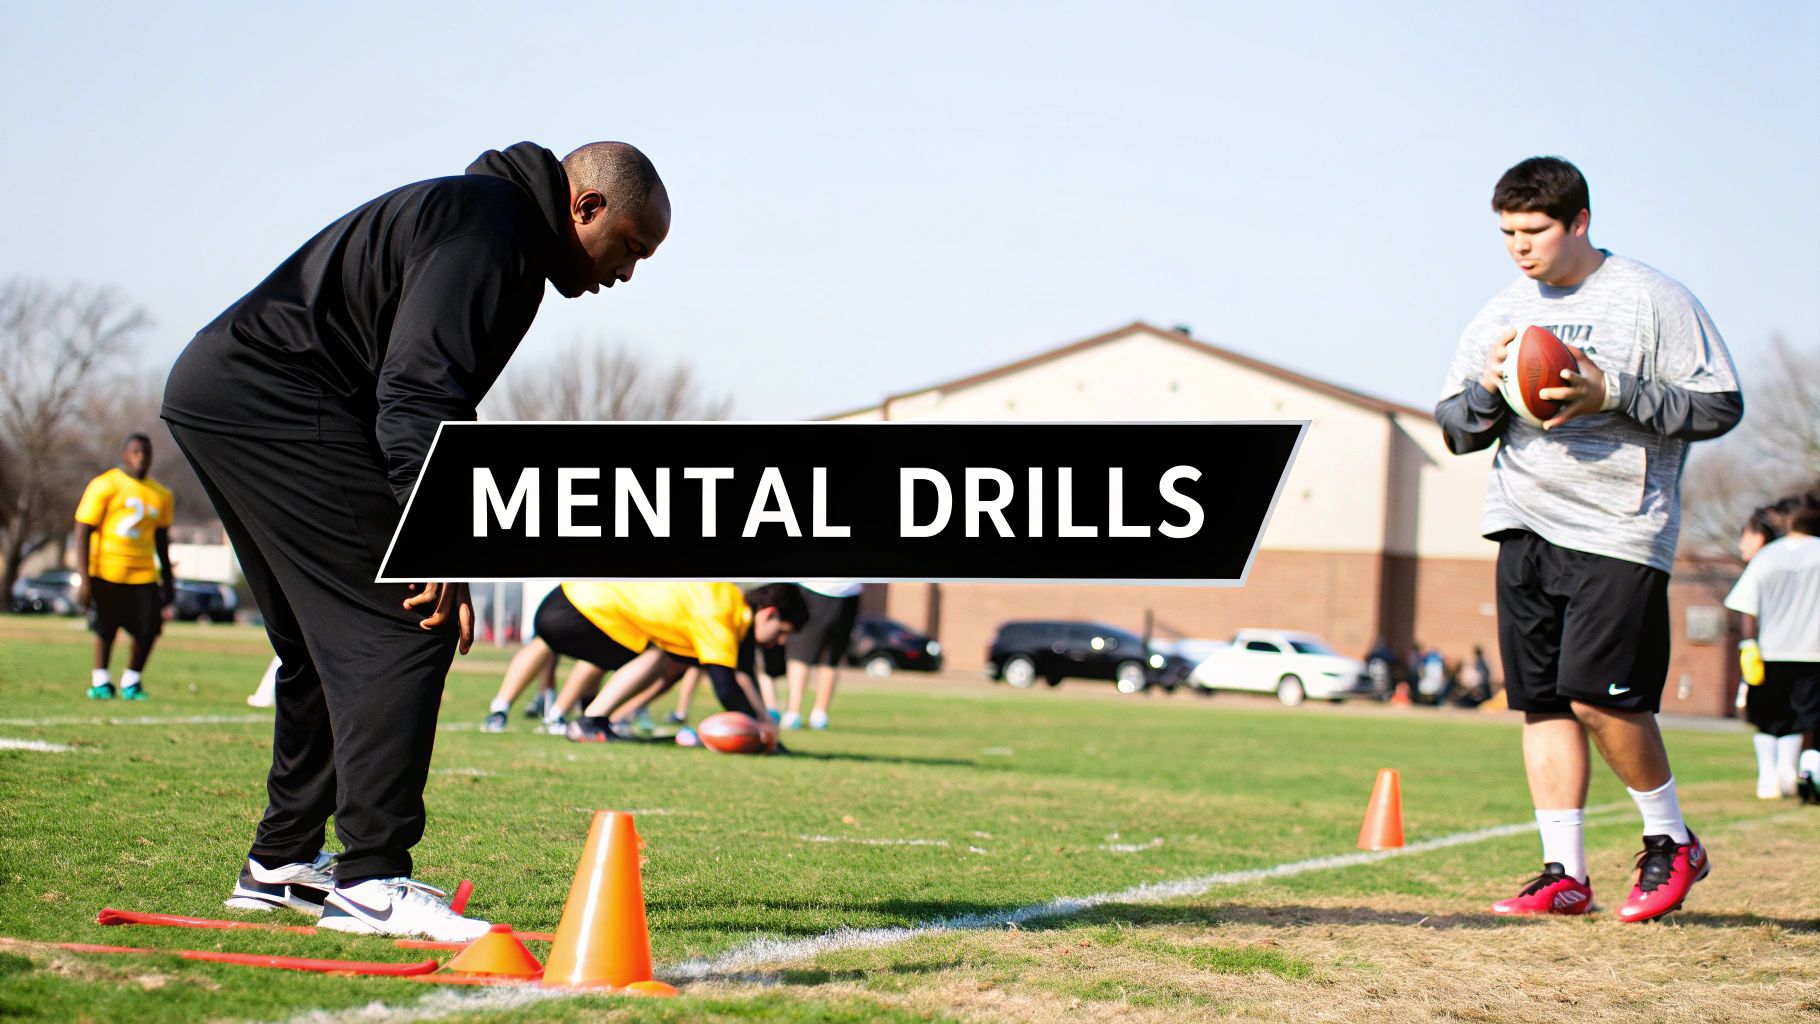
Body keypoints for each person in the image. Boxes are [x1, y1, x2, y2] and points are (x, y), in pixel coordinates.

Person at [161, 141, 670, 942]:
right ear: (586, 207)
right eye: (632, 247)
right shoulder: (492, 231)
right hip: (276, 398)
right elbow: (420, 392)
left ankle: (282, 863)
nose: (629, 273)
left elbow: (407, 386)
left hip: (225, 392)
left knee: (317, 645)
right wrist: (438, 545)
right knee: (409, 619)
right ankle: (370, 881)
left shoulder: (490, 223)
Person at [1436, 156, 1742, 921]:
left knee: (1604, 704)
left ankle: (1673, 842)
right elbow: (1453, 428)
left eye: (1534, 231)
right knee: (1541, 704)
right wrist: (1486, 391)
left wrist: (1615, 391)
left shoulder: (1651, 299)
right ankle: (1562, 872)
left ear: (1578, 221)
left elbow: (1721, 406)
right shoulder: (1500, 311)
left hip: (1618, 530)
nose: (1519, 247)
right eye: (1507, 232)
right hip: (1523, 522)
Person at [550, 582, 808, 741]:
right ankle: (589, 721)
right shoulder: (722, 613)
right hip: (578, 605)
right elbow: (726, 687)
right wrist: (755, 730)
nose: (781, 642)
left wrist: (762, 721)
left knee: (669, 657)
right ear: (769, 613)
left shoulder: (730, 603)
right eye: (782, 632)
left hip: (573, 599)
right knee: (658, 654)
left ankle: (597, 720)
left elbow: (743, 672)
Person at [1725, 496, 1820, 803]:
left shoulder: (1767, 557)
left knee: (1770, 718)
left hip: (1770, 651)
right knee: (1806, 718)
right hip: (1813, 652)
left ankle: (1768, 778)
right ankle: (1792, 772)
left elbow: (1745, 606)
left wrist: (1748, 644)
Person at [73, 433, 176, 700]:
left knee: (150, 628)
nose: (141, 458)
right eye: (136, 452)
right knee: (105, 627)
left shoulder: (161, 494)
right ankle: (101, 681)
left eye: (146, 453)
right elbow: (82, 529)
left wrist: (169, 579)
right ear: (125, 455)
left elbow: (162, 541)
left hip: (143, 573)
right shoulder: (105, 484)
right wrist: (84, 577)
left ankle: (132, 680)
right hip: (107, 569)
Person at [782, 581, 860, 730]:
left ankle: (794, 713)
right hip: (848, 591)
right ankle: (819, 715)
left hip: (815, 587)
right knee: (830, 658)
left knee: (800, 653)